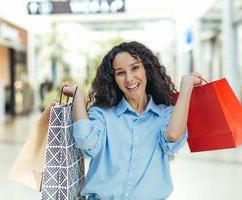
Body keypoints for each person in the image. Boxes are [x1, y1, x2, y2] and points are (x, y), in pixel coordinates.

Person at [61, 41, 203, 200]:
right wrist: (78, 96)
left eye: (135, 68)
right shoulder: (103, 115)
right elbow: (86, 143)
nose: (129, 79)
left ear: (146, 71)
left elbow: (174, 136)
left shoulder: (164, 115)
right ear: (113, 78)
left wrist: (186, 88)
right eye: (120, 73)